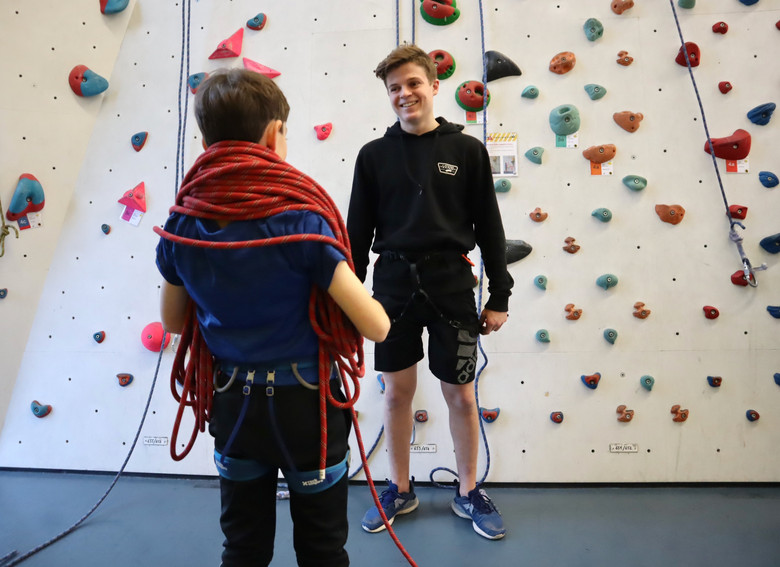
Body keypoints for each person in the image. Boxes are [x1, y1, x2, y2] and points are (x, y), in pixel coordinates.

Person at [156, 68, 390, 567]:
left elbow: (175, 322)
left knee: (243, 546)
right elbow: (376, 327)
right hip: (307, 409)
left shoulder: (182, 225)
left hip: (233, 404)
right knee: (323, 545)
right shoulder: (301, 222)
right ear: (274, 135)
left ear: (205, 142)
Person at [347, 44, 514, 540]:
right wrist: (347, 300)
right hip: (392, 287)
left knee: (460, 396)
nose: (404, 95)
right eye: (394, 88)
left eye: (413, 84)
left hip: (452, 286)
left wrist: (500, 295)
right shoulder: (373, 156)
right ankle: (399, 487)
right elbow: (356, 235)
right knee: (397, 394)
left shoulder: (467, 151)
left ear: (434, 85)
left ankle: (467, 492)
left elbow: (490, 227)